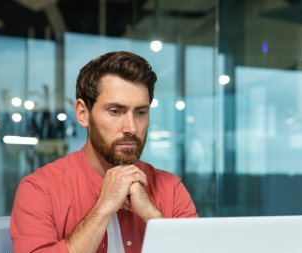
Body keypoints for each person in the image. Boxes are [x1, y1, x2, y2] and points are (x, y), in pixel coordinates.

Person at [10, 51, 198, 253]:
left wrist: (152, 215)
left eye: (141, 112)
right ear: (83, 114)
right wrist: (104, 207)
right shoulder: (40, 189)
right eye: (115, 111)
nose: (131, 127)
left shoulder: (171, 188)